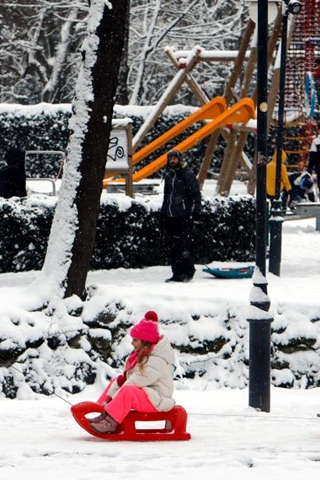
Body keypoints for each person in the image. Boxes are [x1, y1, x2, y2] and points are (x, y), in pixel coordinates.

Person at [91, 311, 176, 434]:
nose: (132, 343)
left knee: (128, 390)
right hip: (148, 395)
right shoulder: (141, 355)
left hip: (157, 400)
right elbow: (128, 378)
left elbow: (135, 381)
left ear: (145, 341)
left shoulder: (156, 360)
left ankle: (110, 422)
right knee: (117, 381)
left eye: (135, 340)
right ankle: (100, 410)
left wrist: (112, 401)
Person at [161, 150, 202, 283]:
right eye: (170, 159)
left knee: (183, 244)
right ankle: (176, 272)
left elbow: (195, 194)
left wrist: (196, 211)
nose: (172, 161)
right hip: (171, 215)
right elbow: (166, 196)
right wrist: (164, 213)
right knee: (173, 246)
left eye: (174, 158)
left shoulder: (187, 174)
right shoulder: (168, 175)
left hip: (183, 215)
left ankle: (187, 271)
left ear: (179, 159)